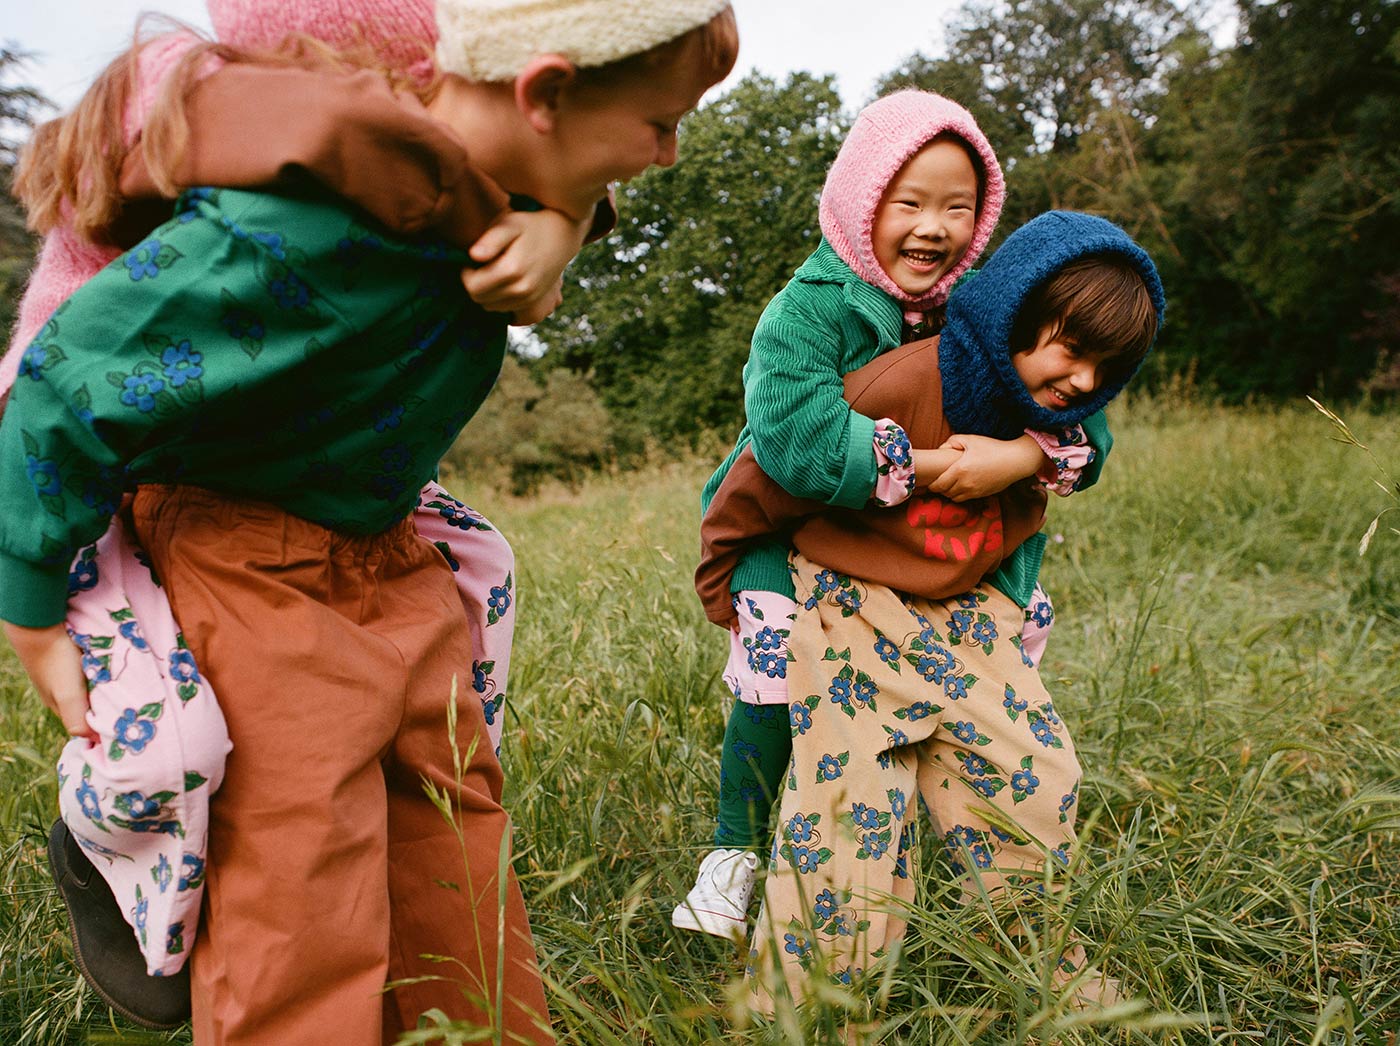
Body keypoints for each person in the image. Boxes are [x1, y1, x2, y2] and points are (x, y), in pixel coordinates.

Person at [0, 1, 739, 1041]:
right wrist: (31, 606)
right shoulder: (288, 230)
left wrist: (563, 225)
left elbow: (532, 176)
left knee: (452, 842)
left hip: (389, 552)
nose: (665, 154)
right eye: (661, 122)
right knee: (299, 886)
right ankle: (122, 848)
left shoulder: (495, 193)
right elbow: (63, 390)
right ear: (544, 91)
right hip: (243, 554)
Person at [697, 211, 1164, 1012]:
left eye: (1105, 367)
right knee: (852, 812)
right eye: (1072, 349)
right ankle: (806, 1009)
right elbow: (762, 478)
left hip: (966, 609)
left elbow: (1090, 450)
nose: (1084, 380)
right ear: (1014, 312)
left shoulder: (1048, 424)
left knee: (1035, 774)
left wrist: (1021, 456)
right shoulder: (897, 383)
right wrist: (729, 579)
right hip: (849, 601)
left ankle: (1041, 965)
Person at [672, 91, 1112, 939]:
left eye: (958, 206)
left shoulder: (985, 305)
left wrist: (1020, 457)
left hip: (926, 552)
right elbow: (797, 438)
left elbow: (1080, 408)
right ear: (861, 201)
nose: (932, 226)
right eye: (908, 202)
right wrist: (930, 467)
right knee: (776, 656)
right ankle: (734, 853)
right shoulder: (811, 307)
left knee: (984, 666)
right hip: (792, 529)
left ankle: (964, 849)